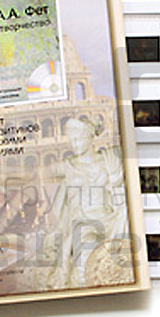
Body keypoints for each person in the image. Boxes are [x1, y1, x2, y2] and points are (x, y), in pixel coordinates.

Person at [42, 118, 129, 288]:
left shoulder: (108, 160)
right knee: (86, 262)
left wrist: (115, 182)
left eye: (78, 139)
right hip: (83, 224)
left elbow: (121, 193)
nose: (74, 144)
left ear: (89, 138)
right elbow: (41, 172)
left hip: (109, 220)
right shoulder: (68, 165)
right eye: (71, 140)